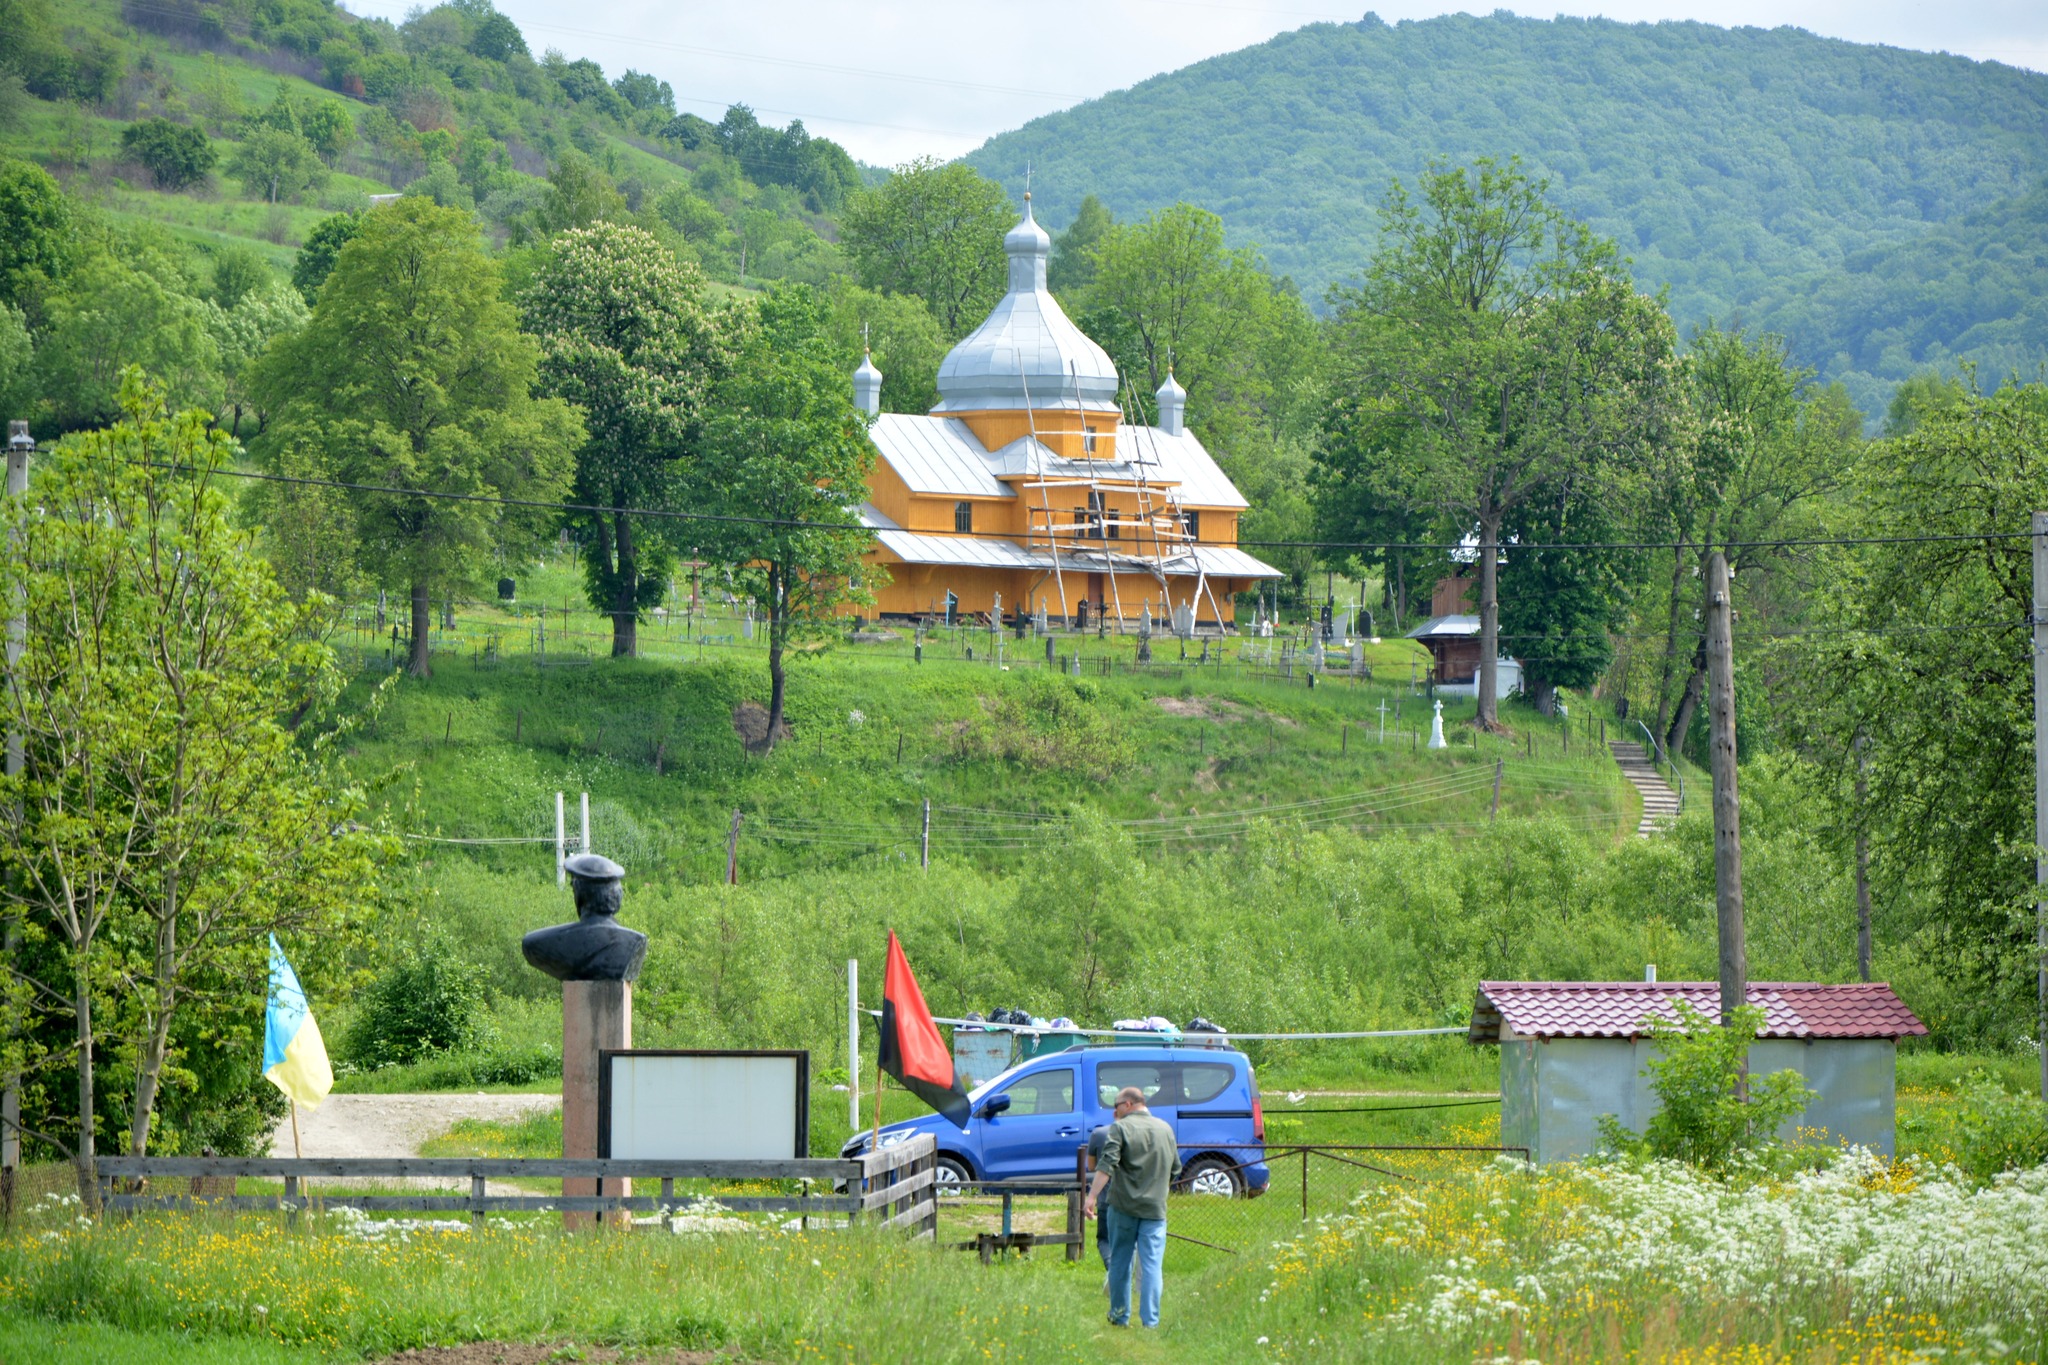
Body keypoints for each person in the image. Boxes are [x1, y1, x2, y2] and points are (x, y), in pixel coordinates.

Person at [1084, 1085, 1180, 1329]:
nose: (1114, 1113)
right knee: (1152, 1266)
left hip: (1123, 1207)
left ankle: (1119, 1316)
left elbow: (1106, 1164)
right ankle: (1151, 1322)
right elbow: (1175, 1169)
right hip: (1155, 1210)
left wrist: (1091, 1196)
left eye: (1116, 1107)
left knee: (1120, 1262)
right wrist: (1159, 1189)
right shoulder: (1165, 1129)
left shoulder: (1121, 1128)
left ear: (1127, 1104)